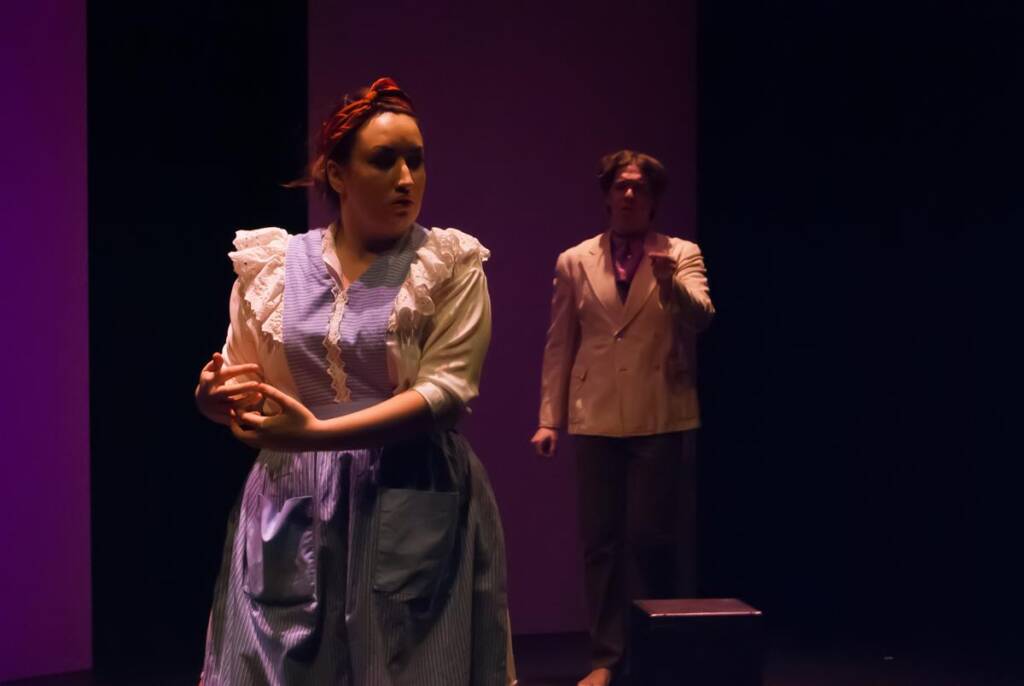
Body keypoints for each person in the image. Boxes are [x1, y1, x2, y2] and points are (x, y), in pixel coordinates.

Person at [194, 77, 515, 685]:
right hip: (292, 500)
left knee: (413, 664)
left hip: (410, 487)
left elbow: (446, 395)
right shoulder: (271, 267)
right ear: (337, 175)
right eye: (383, 160)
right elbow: (243, 383)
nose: (406, 179)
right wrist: (212, 400)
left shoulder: (448, 264)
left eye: (415, 161)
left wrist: (314, 433)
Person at [531, 150, 714, 686]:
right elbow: (560, 343)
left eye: (639, 188)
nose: (629, 195)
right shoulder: (574, 260)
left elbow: (701, 318)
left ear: (654, 198)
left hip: (661, 410)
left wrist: (672, 282)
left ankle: (655, 650)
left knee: (652, 540)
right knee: (601, 541)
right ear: (608, 194)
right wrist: (550, 419)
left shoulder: (680, 253)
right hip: (596, 415)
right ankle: (607, 657)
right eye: (620, 186)